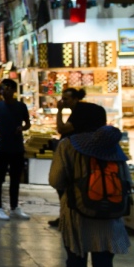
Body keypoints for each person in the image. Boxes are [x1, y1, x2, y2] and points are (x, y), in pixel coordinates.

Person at [49, 125, 131, 267]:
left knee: (76, 256)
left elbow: (55, 180)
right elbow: (127, 182)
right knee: (104, 266)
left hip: (77, 213)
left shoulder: (68, 146)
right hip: (109, 218)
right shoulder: (116, 152)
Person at [49, 87, 108, 229]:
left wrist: (59, 111)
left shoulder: (81, 111)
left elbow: (61, 129)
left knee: (64, 184)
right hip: (85, 152)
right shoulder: (84, 110)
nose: (63, 102)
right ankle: (68, 216)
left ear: (75, 99)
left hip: (77, 154)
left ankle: (68, 217)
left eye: (66, 99)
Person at [0, 79, 31, 221]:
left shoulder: (21, 106)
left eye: (9, 88)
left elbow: (28, 124)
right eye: (3, 88)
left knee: (15, 179)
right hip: (3, 147)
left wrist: (22, 128)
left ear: (14, 90)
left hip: (17, 147)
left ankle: (14, 207)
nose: (6, 91)